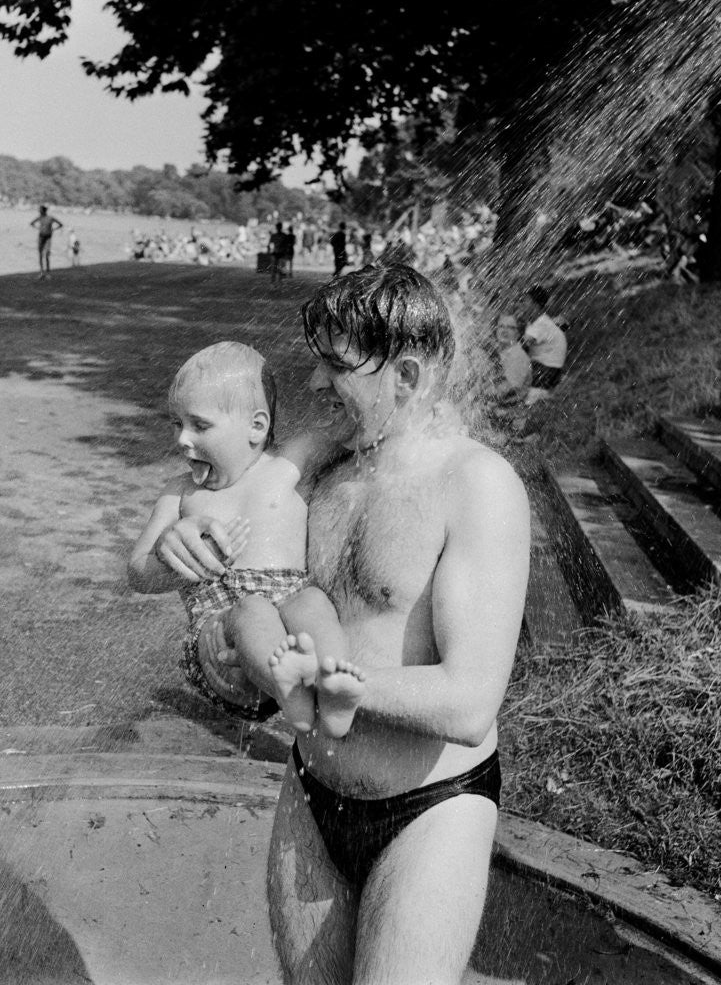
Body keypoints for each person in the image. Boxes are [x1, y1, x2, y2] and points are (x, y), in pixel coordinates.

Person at [257, 264, 527, 983]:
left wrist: (334, 681)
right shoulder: (321, 473)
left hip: (428, 811)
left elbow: (469, 702)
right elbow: (256, 593)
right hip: (312, 793)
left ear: (405, 376)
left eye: (336, 365)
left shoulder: (474, 485)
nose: (314, 382)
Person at [128, 341, 364, 736]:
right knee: (252, 610)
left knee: (312, 601)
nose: (182, 439)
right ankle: (290, 690)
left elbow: (356, 427)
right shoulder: (181, 493)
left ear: (256, 427)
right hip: (221, 645)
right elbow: (137, 573)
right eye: (176, 423)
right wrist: (172, 557)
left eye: (199, 425)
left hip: (290, 629)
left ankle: (334, 683)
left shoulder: (291, 463)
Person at [521, 284, 567, 399]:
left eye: (525, 301)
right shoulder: (541, 322)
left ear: (535, 305)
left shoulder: (540, 325)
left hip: (545, 373)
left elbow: (521, 347)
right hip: (550, 373)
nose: (522, 304)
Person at [31, 205, 63, 279]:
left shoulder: (50, 218)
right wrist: (39, 228)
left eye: (40, 210)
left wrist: (53, 229)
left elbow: (60, 224)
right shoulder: (40, 218)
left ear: (43, 211)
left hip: (48, 237)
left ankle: (48, 273)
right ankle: (42, 272)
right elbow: (32, 223)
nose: (39, 211)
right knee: (40, 254)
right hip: (41, 237)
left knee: (47, 254)